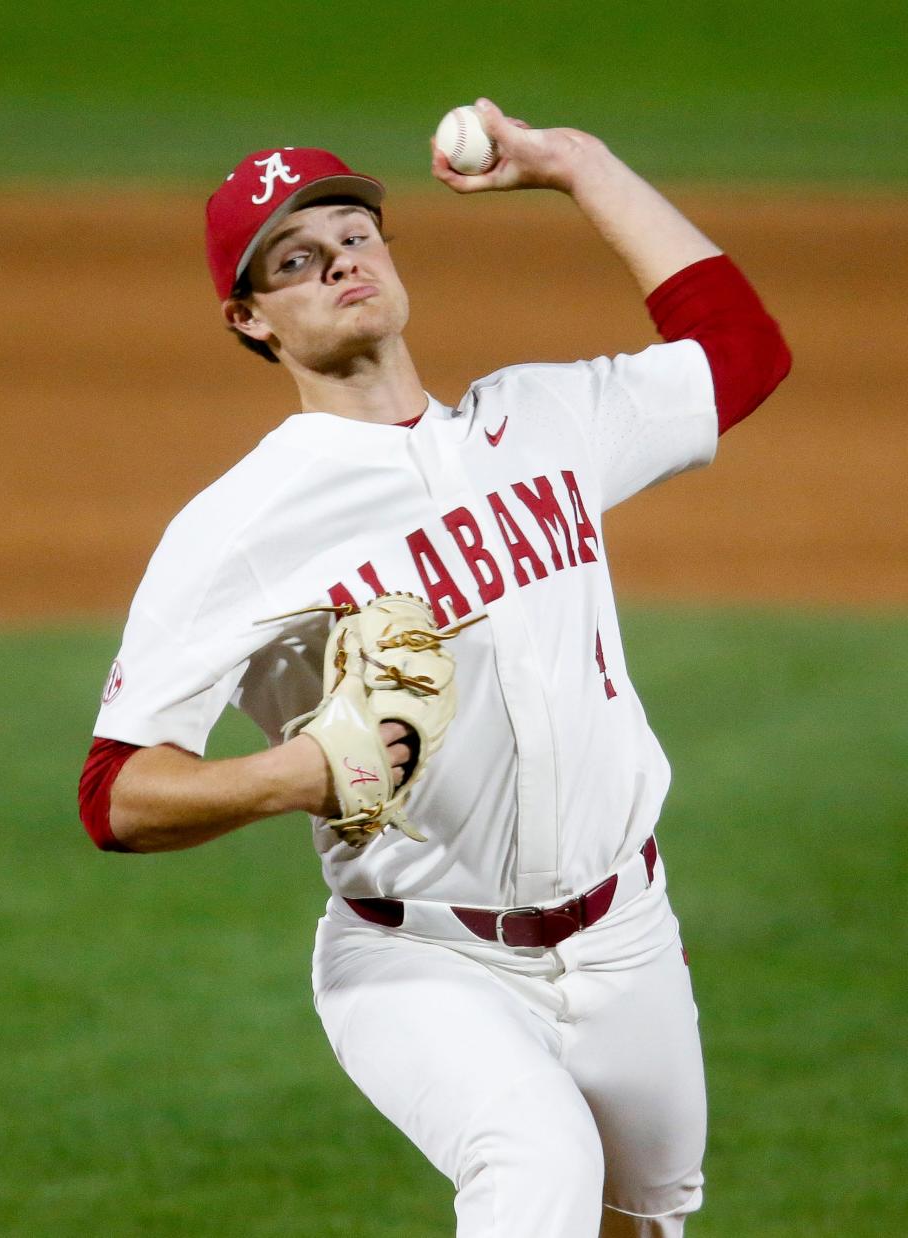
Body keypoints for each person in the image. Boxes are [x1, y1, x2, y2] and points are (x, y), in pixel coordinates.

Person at [79, 98, 790, 1236]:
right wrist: (307, 771)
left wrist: (579, 164)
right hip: (422, 956)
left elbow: (744, 352)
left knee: (643, 1220)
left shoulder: (547, 417)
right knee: (534, 1171)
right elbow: (116, 793)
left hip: (628, 929)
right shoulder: (239, 524)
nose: (339, 263)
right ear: (252, 319)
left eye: (353, 234)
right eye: (295, 261)